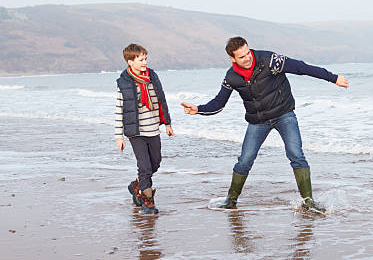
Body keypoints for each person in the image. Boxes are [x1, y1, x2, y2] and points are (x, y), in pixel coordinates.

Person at [181, 36, 348, 211]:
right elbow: (218, 103)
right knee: (244, 161)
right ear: (232, 59)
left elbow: (302, 68)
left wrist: (333, 78)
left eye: (248, 53)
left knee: (296, 154)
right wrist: (198, 109)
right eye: (242, 57)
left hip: (283, 114)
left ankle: (308, 201)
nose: (247, 58)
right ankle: (230, 201)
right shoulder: (232, 77)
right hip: (258, 121)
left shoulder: (270, 61)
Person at [115, 43, 174, 214]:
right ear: (130, 61)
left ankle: (136, 185)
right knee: (145, 167)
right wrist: (119, 136)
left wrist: (168, 124)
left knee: (155, 162)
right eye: (141, 60)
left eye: (145, 59)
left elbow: (161, 101)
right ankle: (147, 201)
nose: (144, 62)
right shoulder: (124, 83)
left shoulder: (152, 77)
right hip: (136, 132)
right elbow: (120, 110)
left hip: (153, 129)